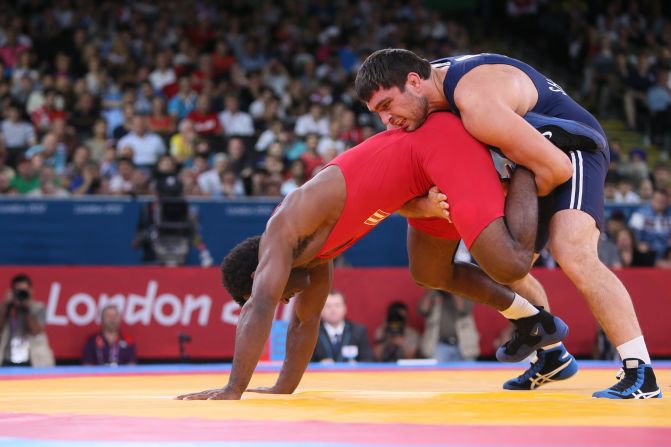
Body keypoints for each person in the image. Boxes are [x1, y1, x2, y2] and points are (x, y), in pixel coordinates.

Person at [176, 112, 569, 401]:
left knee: (511, 263)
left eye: (274, 294)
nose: (283, 300)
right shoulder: (314, 258)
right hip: (419, 183)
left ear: (257, 273)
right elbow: (304, 322)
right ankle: (531, 319)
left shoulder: (285, 227)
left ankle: (526, 163)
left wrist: (233, 388)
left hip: (428, 148)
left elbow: (259, 305)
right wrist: (282, 387)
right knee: (430, 272)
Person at [355, 48, 660, 399]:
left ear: (413, 82)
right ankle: (552, 356)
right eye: (377, 112)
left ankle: (641, 373)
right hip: (529, 157)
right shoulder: (428, 85)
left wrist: (507, 193)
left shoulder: (475, 103)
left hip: (572, 147)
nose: (386, 121)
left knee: (572, 251)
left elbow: (557, 169)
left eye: (386, 106)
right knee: (504, 266)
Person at [0, 274, 54, 367]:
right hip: (6, 359)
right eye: (18, 291)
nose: (21, 294)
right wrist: (6, 306)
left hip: (33, 361)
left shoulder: (38, 308)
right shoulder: (5, 307)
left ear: (31, 291)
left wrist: (26, 309)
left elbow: (36, 332)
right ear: (12, 292)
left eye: (24, 291)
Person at [312, 291, 373, 363]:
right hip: (321, 374)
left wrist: (357, 365)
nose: (333, 310)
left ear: (344, 308)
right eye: (328, 306)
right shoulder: (311, 333)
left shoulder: (358, 331)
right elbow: (303, 363)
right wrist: (319, 365)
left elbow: (368, 360)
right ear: (321, 310)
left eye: (337, 305)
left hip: (352, 374)